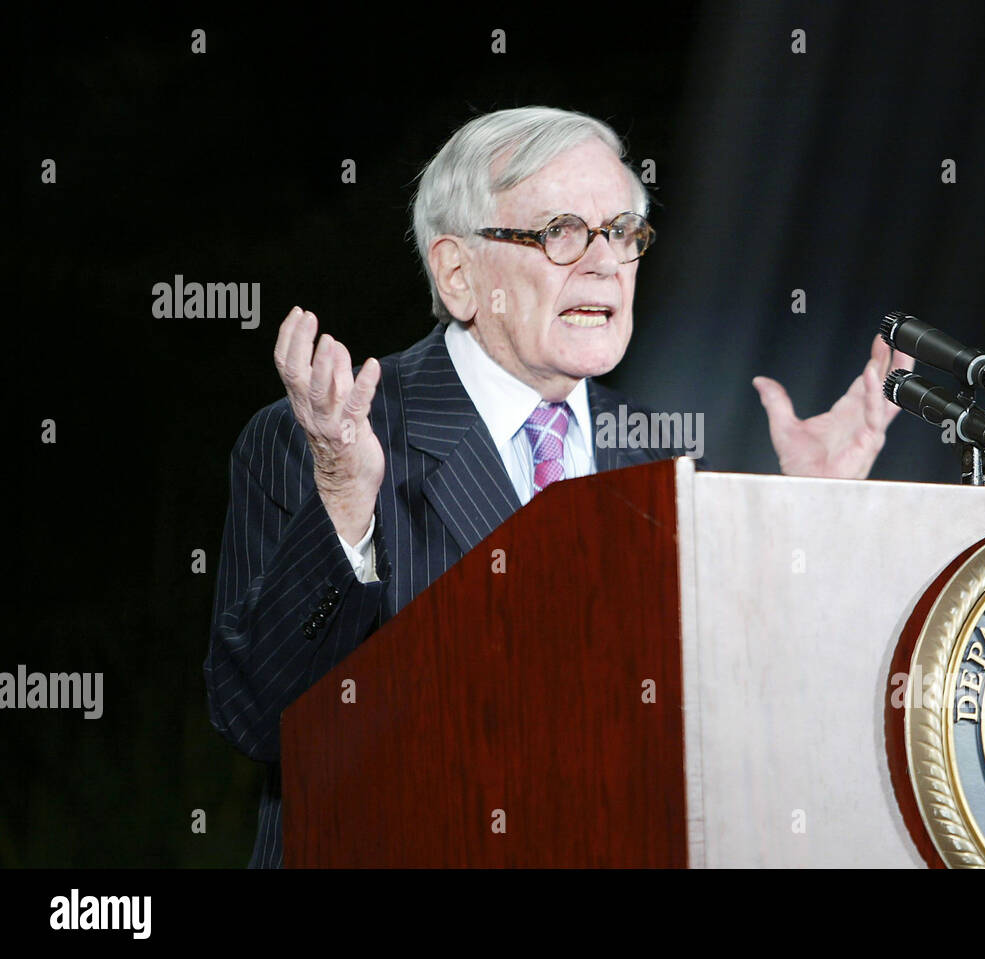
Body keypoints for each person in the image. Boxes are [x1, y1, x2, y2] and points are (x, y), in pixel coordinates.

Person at [204, 106, 913, 868]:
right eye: (562, 232)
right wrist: (345, 504)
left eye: (622, 232)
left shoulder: (656, 453)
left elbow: (733, 716)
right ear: (458, 272)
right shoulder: (323, 440)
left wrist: (811, 516)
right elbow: (258, 718)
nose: (606, 263)